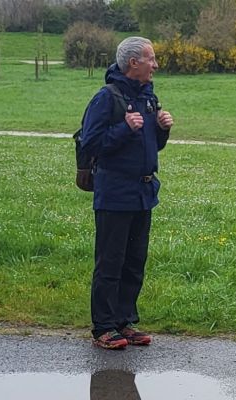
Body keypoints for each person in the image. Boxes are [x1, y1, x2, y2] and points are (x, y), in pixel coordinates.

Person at [78, 36, 175, 349]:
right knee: (110, 262)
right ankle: (103, 327)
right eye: (151, 59)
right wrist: (123, 128)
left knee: (134, 261)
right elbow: (91, 144)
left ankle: (125, 321)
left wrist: (162, 128)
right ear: (134, 63)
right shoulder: (106, 98)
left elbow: (152, 145)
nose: (155, 65)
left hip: (143, 192)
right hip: (115, 193)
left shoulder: (148, 97)